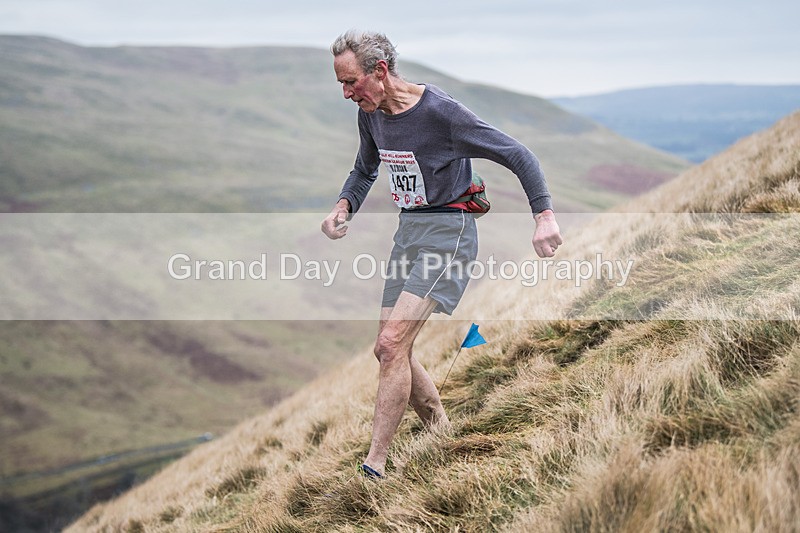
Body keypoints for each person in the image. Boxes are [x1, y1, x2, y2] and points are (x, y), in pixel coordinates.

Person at [321, 30, 563, 478]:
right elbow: (365, 166)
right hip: (408, 232)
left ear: (380, 71)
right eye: (341, 83)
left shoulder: (442, 114)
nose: (346, 93)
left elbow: (518, 154)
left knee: (393, 343)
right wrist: (344, 205)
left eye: (351, 82)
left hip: (448, 233)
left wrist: (543, 215)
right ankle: (441, 431)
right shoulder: (371, 113)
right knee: (389, 349)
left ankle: (374, 466)